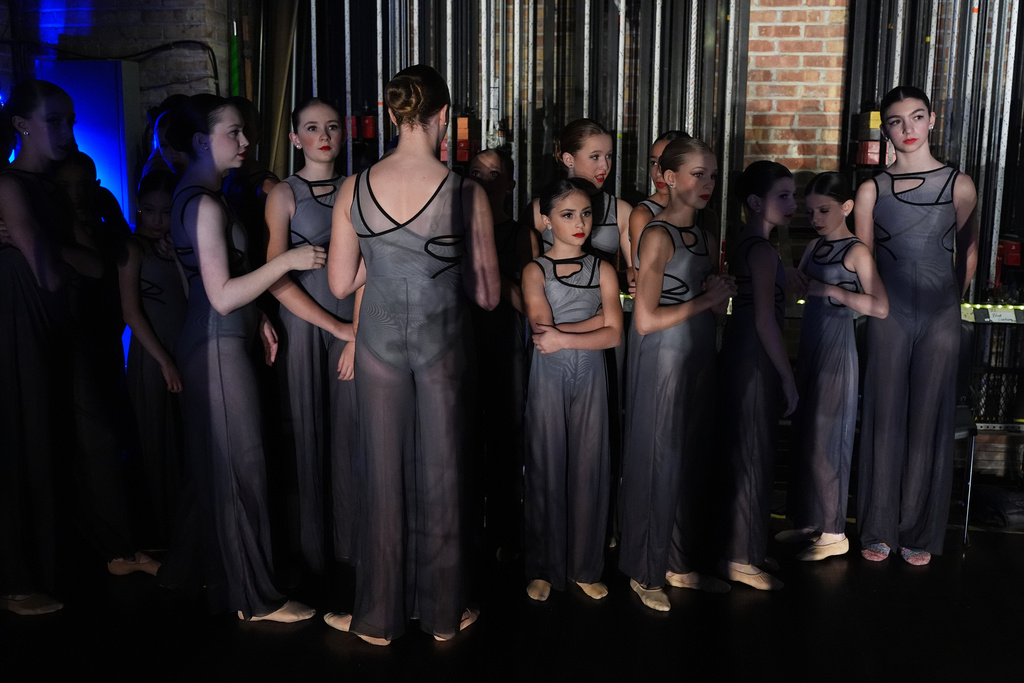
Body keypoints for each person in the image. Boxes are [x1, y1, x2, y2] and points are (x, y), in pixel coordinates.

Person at [325, 64, 499, 645]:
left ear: (394, 115)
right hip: (442, 344)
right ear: (444, 118)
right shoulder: (465, 192)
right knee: (444, 476)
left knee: (381, 475)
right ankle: (444, 615)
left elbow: (339, 284)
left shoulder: (353, 186)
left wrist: (388, 260)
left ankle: (377, 617)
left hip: (376, 344)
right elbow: (488, 295)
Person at [164, 93, 320, 622]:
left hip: (215, 341)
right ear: (203, 141)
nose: (247, 142)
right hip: (216, 349)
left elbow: (202, 289)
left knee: (222, 469)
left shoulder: (199, 195)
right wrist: (291, 261)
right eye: (235, 132)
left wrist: (261, 319)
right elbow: (222, 295)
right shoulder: (204, 203)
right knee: (241, 470)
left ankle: (207, 577)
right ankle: (255, 601)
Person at [854, 86, 978, 566]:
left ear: (931, 121)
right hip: (889, 312)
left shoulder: (959, 184)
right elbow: (862, 259)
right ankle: (879, 527)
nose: (907, 130)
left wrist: (952, 302)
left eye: (916, 118)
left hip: (940, 311)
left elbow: (967, 251)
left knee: (931, 419)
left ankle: (920, 531)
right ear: (885, 129)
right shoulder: (872, 189)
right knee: (884, 416)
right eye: (896, 122)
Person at [618, 137, 734, 611]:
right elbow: (644, 320)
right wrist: (706, 300)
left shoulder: (706, 232)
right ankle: (644, 571)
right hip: (663, 357)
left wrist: (718, 296)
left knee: (690, 459)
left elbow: (716, 309)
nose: (706, 183)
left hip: (699, 354)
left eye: (711, 175)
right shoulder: (658, 234)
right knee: (656, 459)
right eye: (696, 174)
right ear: (667, 178)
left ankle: (679, 564)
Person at [264, 97, 358, 571]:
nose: (324, 135)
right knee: (305, 431)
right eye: (312, 127)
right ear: (294, 137)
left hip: (351, 324)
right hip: (303, 321)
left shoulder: (358, 188)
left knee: (350, 435)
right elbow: (274, 278)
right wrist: (337, 326)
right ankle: (312, 552)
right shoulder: (283, 194)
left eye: (333, 126)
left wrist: (355, 331)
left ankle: (350, 547)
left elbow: (374, 267)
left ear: (344, 134)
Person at [521, 177, 623, 603]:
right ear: (546, 220)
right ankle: (544, 566)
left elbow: (615, 333)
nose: (579, 222)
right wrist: (590, 324)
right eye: (567, 214)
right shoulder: (534, 269)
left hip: (591, 374)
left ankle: (584, 566)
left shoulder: (604, 267)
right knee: (545, 463)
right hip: (548, 375)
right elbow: (541, 330)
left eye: (585, 213)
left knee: (590, 465)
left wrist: (566, 336)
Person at [777, 172, 888, 561]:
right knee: (807, 435)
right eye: (811, 212)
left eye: (824, 210)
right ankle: (810, 522)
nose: (817, 218)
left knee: (829, 439)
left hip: (838, 350)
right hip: (811, 346)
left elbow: (880, 307)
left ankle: (835, 531)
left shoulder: (856, 251)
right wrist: (789, 277)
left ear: (846, 207)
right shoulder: (814, 247)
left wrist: (833, 291)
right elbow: (796, 294)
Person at [0, 79, 77, 615]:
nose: (67, 132)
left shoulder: (44, 184)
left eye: (69, 121)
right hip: (17, 317)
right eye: (56, 121)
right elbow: (48, 274)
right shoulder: (10, 183)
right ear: (22, 124)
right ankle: (15, 582)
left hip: (41, 321)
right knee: (19, 438)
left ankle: (37, 573)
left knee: (42, 437)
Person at [718, 160, 798, 591]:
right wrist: (787, 376)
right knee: (752, 450)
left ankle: (744, 546)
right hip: (754, 354)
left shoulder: (747, 244)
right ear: (754, 202)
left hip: (740, 349)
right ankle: (740, 556)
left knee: (747, 448)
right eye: (783, 196)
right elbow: (766, 318)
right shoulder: (763, 249)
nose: (793, 205)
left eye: (793, 195)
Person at [118, 169, 187, 547]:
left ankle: (187, 530)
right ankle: (163, 534)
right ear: (139, 209)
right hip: (152, 356)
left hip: (182, 348)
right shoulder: (132, 248)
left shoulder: (179, 244)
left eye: (166, 211)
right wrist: (164, 362)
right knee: (157, 445)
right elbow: (130, 313)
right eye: (149, 211)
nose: (157, 219)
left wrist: (178, 255)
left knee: (184, 442)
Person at [467, 147, 527, 561]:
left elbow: (532, 301)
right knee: (464, 436)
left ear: (510, 184)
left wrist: (490, 272)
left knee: (506, 436)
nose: (485, 181)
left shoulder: (521, 234)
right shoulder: (455, 230)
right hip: (462, 341)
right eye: (476, 173)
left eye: (494, 174)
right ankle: (468, 528)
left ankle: (506, 531)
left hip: (506, 341)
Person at [526, 119, 632, 272]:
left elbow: (636, 272)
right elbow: (526, 272)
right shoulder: (539, 209)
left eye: (608, 156)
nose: (605, 166)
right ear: (569, 159)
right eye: (595, 156)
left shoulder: (621, 210)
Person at [627, 130, 689, 269]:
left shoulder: (705, 215)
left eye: (666, 162)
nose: (658, 172)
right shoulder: (643, 214)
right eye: (654, 163)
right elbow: (641, 278)